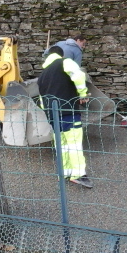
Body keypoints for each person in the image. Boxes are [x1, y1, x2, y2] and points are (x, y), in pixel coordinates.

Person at [37, 45, 93, 188]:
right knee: (74, 143)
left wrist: (49, 114)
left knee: (61, 145)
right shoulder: (64, 62)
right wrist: (82, 94)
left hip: (53, 116)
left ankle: (64, 173)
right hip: (69, 112)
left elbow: (42, 100)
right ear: (61, 55)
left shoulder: (42, 76)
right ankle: (79, 175)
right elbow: (79, 75)